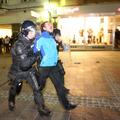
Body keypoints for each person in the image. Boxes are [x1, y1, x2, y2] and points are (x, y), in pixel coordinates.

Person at [8, 20, 51, 116]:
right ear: (25, 32)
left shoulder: (31, 41)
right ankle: (11, 100)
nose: (34, 33)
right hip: (18, 71)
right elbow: (24, 64)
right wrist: (37, 55)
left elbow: (35, 51)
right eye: (31, 31)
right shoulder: (19, 45)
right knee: (15, 89)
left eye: (34, 31)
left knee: (37, 89)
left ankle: (41, 108)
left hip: (29, 71)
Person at [34, 21, 77, 110]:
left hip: (54, 67)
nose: (51, 25)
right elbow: (34, 51)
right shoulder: (40, 38)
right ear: (44, 28)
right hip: (44, 68)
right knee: (40, 87)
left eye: (51, 25)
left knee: (60, 86)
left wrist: (62, 43)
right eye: (48, 25)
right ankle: (37, 101)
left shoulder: (52, 38)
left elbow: (62, 49)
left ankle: (66, 105)